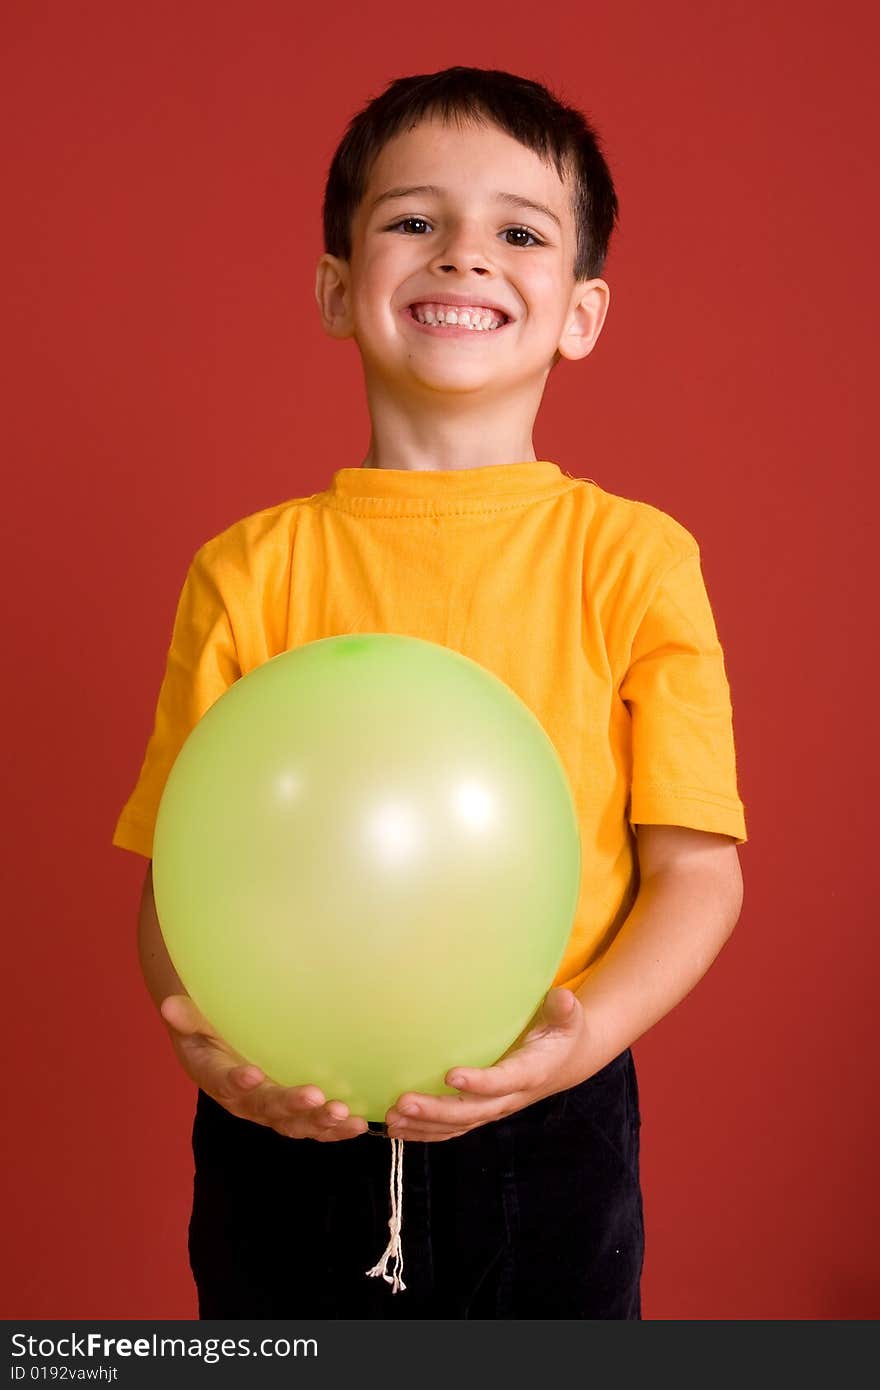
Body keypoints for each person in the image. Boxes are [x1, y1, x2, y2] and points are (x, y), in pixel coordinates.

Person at [112, 66, 747, 1319]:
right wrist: (212, 1045)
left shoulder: (634, 560)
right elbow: (173, 876)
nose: (463, 257)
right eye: (413, 221)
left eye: (519, 231)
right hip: (287, 1112)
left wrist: (582, 1041)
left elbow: (698, 872)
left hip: (549, 1111)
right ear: (339, 289)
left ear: (581, 311)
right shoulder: (248, 570)